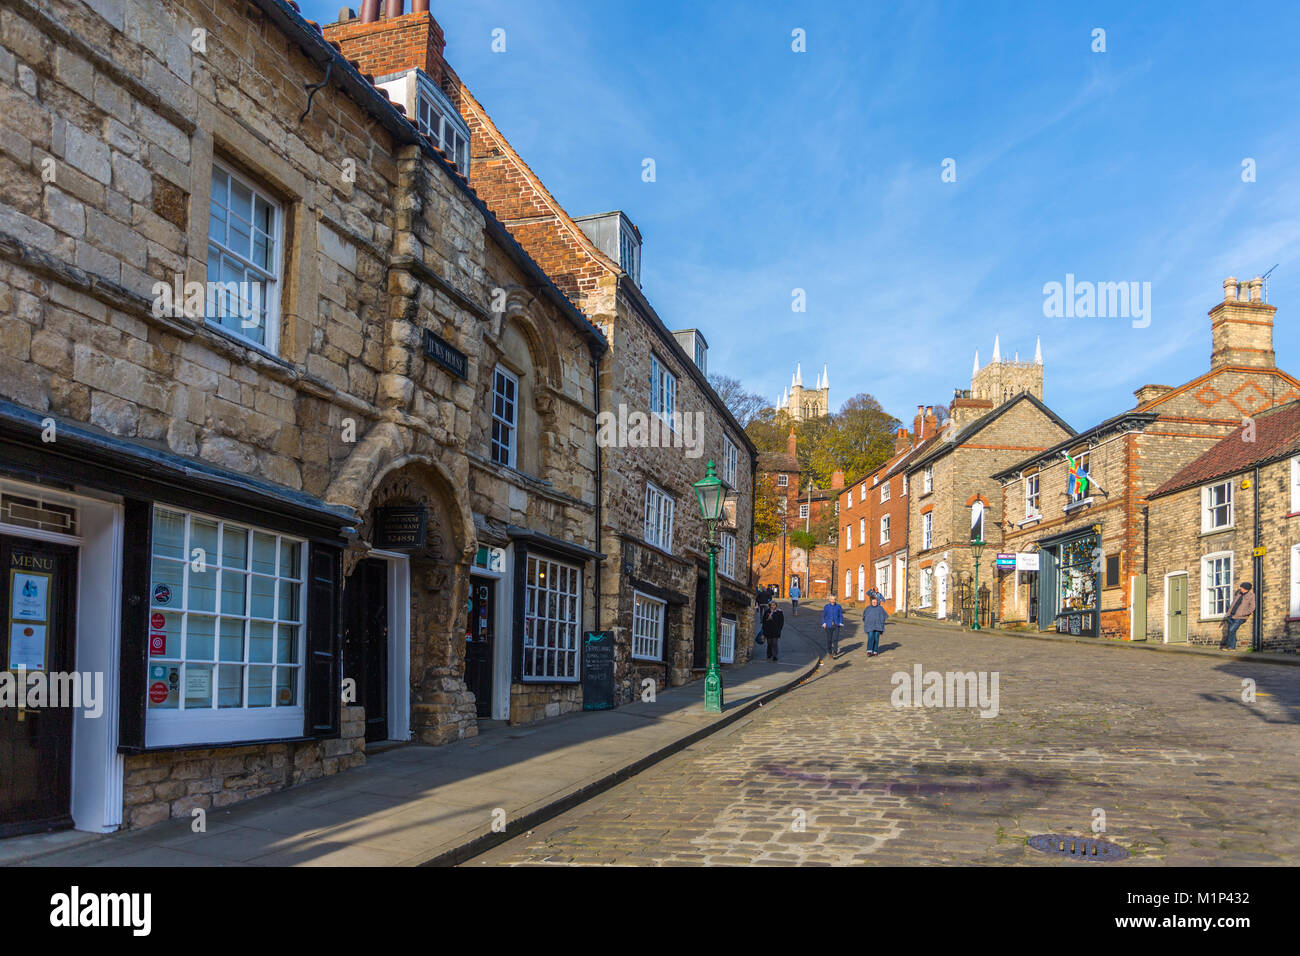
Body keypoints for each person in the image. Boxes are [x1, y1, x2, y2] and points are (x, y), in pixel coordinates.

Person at [1220, 581, 1255, 650]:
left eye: (1241, 587)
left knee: (1231, 630)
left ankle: (1231, 647)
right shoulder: (1238, 594)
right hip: (1231, 616)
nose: (1240, 588)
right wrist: (1228, 614)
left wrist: (1243, 613)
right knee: (1232, 631)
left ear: (1245, 588)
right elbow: (1233, 604)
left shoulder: (1251, 595)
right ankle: (1231, 647)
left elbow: (1252, 607)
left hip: (1240, 617)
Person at [821, 593, 843, 658]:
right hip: (828, 625)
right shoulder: (826, 607)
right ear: (829, 600)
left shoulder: (838, 606)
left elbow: (840, 615)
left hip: (836, 625)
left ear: (835, 600)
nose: (833, 600)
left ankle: (835, 652)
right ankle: (830, 652)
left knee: (836, 639)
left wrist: (840, 622)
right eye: (831, 599)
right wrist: (824, 623)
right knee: (829, 640)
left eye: (834, 599)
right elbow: (823, 616)